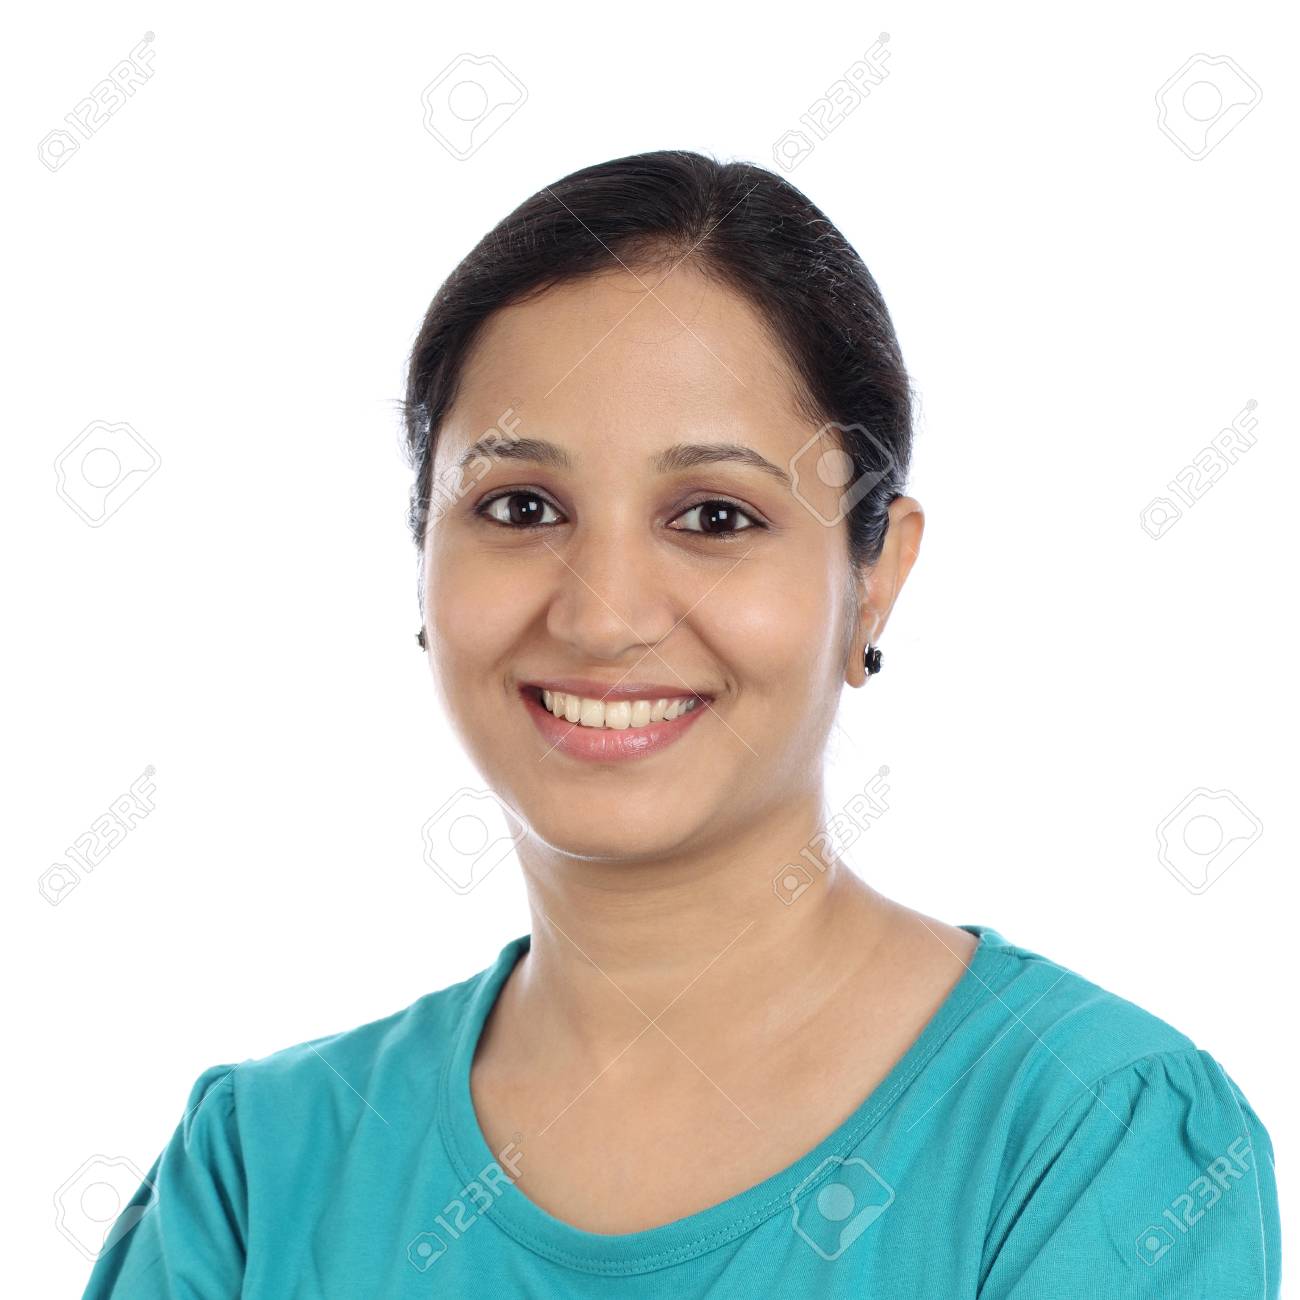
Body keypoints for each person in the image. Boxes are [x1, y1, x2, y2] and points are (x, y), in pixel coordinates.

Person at [82, 150, 1281, 1297]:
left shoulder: (1091, 1138)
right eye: (521, 506)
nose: (602, 616)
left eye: (714, 516)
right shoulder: (256, 1175)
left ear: (874, 577)